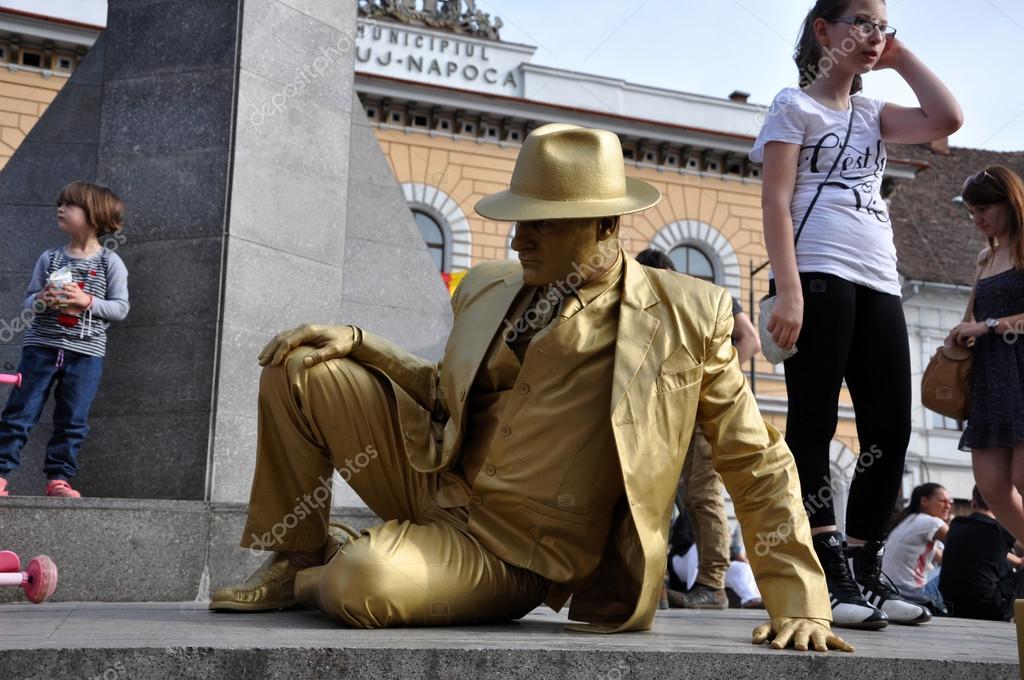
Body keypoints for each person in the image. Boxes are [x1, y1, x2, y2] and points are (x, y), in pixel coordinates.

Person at [210, 123, 852, 653]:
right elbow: (445, 393)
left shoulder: (688, 314)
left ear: (604, 224)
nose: (520, 239)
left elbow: (753, 458)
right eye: (521, 221)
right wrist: (361, 341)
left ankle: (330, 568)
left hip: (516, 551)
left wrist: (800, 601)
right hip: (431, 478)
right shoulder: (490, 286)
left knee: (362, 583)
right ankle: (298, 556)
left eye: (542, 223)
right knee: (299, 363)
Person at [750, 0, 963, 628]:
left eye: (883, 26)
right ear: (824, 30)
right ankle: (828, 569)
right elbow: (775, 201)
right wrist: (789, 291)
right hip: (817, 272)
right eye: (863, 22)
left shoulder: (873, 113)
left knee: (891, 427)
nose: (875, 35)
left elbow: (947, 118)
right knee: (814, 421)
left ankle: (866, 569)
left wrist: (901, 56)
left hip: (879, 278)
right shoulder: (793, 106)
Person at [635, 247, 760, 609]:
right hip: (681, 409)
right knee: (677, 493)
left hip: (711, 407)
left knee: (703, 493)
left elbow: (750, 340)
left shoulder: (707, 296)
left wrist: (711, 379)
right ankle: (657, 581)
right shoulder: (659, 309)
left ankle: (713, 585)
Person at [0, 181, 129, 498]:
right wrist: (42, 298)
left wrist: (87, 301)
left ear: (94, 215)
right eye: (60, 203)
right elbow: (29, 303)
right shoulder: (50, 258)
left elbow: (120, 308)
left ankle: (59, 480)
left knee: (73, 420)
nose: (60, 208)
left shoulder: (109, 262)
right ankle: (0, 474)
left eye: (70, 205)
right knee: (19, 414)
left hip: (86, 354)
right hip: (40, 348)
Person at [946, 167, 1024, 544]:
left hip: (1021, 369)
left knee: (1022, 477)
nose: (977, 219)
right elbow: (975, 319)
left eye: (984, 209)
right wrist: (965, 331)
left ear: (1010, 203)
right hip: (991, 376)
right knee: (992, 485)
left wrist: (989, 326)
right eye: (971, 211)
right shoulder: (985, 258)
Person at [939, 486, 1018, 621]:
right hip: (988, 608)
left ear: (973, 503)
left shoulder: (956, 524)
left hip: (953, 604)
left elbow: (984, 552)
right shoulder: (1001, 529)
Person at [881, 483, 951, 608]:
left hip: (890, 588)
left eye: (950, 502)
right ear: (924, 501)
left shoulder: (907, 520)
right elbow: (960, 547)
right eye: (942, 501)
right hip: (912, 592)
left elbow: (942, 558)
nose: (948, 506)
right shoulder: (932, 522)